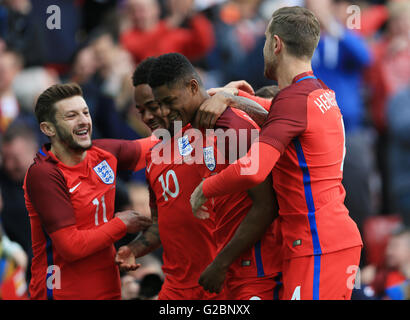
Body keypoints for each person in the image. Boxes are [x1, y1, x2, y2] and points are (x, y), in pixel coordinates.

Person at [190, 6, 363, 300]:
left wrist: (205, 189)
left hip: (317, 245)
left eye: (265, 41)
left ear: (276, 44)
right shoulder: (318, 92)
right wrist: (234, 97)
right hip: (327, 240)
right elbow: (276, 117)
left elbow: (253, 168)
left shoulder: (293, 101)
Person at [118, 53, 281, 300]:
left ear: (191, 87)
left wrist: (227, 96)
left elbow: (265, 203)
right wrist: (133, 248)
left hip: (226, 277)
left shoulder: (217, 130)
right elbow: (161, 224)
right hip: (178, 286)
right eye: (143, 110)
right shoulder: (154, 156)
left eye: (156, 105)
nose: (153, 114)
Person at [23, 83, 154, 300]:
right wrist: (121, 223)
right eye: (71, 116)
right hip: (62, 293)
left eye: (85, 113)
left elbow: (159, 144)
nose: (84, 120)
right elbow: (71, 247)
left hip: (108, 288)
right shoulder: (44, 175)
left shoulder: (103, 152)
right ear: (49, 129)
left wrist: (201, 109)